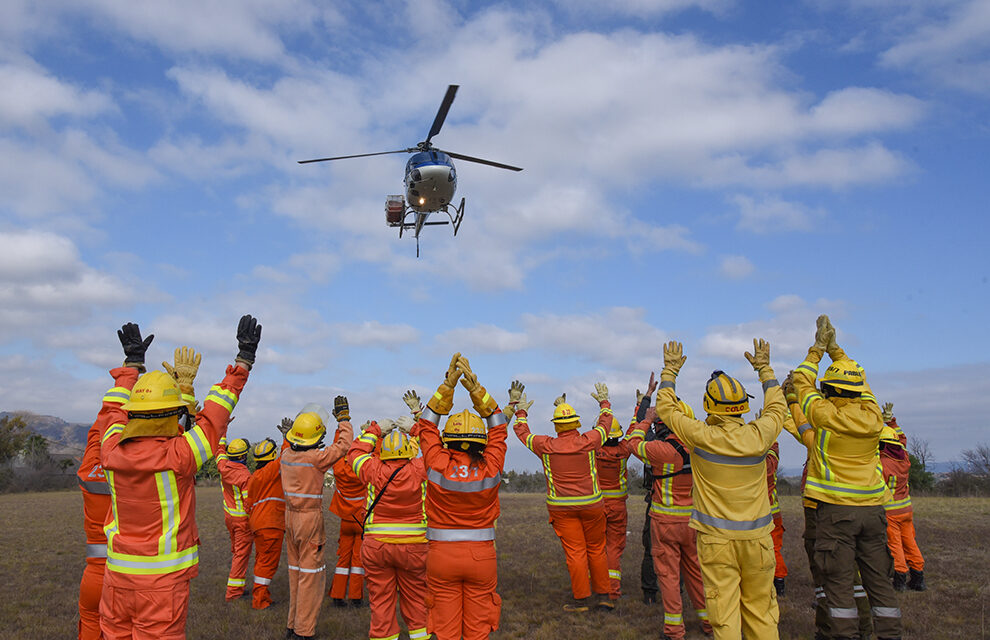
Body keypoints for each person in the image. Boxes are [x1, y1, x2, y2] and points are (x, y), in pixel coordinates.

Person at [98, 315, 261, 639]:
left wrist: (132, 366)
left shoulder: (110, 449)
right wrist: (243, 361)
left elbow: (112, 410)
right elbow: (217, 410)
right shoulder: (181, 454)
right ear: (173, 414)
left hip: (116, 578)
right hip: (163, 585)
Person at [655, 339, 785, 640]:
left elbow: (665, 407)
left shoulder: (701, 436)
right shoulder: (759, 435)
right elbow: (778, 406)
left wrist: (670, 371)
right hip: (759, 541)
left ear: (708, 405)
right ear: (744, 406)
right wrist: (765, 369)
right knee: (762, 611)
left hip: (716, 543)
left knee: (724, 614)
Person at [76, 345, 199, 639]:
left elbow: (105, 425)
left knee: (94, 628)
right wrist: (182, 396)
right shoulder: (153, 466)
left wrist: (130, 369)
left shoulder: (97, 463)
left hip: (101, 575)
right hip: (141, 580)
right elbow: (171, 446)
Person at [792, 315, 902, 640]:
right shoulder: (873, 416)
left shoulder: (824, 417)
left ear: (830, 390)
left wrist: (817, 351)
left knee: (839, 590)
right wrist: (838, 352)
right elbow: (863, 384)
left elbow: (801, 383)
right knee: (880, 585)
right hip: (873, 513)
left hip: (835, 514)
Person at [409, 354, 508, 640]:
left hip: (441, 556)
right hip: (481, 557)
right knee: (478, 630)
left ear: (447, 440)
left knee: (445, 629)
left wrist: (447, 387)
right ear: (482, 442)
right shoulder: (491, 465)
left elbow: (427, 426)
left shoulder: (437, 462)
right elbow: (499, 427)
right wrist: (477, 391)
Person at [781, 374, 872, 640]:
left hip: (823, 510)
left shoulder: (825, 433)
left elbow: (801, 426)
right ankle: (862, 627)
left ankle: (830, 629)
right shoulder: (864, 428)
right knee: (851, 575)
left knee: (828, 574)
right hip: (857, 509)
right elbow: (799, 426)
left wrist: (789, 399)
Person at [513, 383, 613, 612]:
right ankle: (604, 597)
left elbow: (522, 433)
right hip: (593, 505)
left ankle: (581, 600)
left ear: (556, 426)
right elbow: (606, 424)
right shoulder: (590, 440)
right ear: (577, 423)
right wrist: (604, 403)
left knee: (576, 553)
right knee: (597, 549)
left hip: (561, 509)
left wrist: (521, 411)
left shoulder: (546, 445)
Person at [626, 397, 711, 640]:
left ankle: (674, 631)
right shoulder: (700, 448)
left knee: (669, 576)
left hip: (665, 523)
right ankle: (711, 624)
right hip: (695, 523)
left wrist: (646, 420)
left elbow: (633, 444)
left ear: (661, 426)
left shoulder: (660, 450)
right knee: (696, 574)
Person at [348, 420, 430, 640]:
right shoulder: (420, 468)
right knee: (417, 600)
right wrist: (415, 428)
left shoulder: (372, 468)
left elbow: (354, 453)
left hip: (377, 548)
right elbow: (436, 449)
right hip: (415, 548)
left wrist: (374, 430)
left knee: (381, 603)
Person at [281, 399, 354, 640]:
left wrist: (289, 436)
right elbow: (343, 446)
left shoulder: (285, 457)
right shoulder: (316, 459)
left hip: (290, 521)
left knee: (295, 574)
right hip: (310, 521)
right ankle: (304, 632)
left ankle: (292, 626)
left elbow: (290, 446)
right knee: (311, 579)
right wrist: (343, 419)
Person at [879, 425, 926, 592]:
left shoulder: (882, 463)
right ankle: (918, 577)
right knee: (910, 543)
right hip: (906, 510)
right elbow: (902, 441)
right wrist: (892, 424)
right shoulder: (904, 458)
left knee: (895, 545)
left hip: (891, 512)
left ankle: (900, 579)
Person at [245, 433, 287, 610]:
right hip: (271, 524)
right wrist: (287, 436)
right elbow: (285, 455)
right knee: (268, 563)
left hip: (257, 524)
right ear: (271, 456)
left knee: (262, 561)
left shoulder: (254, 477)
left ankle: (263, 596)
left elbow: (248, 503)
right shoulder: (272, 469)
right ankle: (260, 601)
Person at [328, 420, 367, 607]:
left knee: (343, 558)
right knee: (358, 560)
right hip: (361, 519)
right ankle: (355, 596)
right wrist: (374, 435)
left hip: (346, 519)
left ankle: (337, 594)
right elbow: (376, 456)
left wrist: (340, 428)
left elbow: (337, 449)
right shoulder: (362, 470)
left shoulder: (338, 469)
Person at [595, 412, 633, 600]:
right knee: (614, 548)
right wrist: (636, 409)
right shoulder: (624, 450)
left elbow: (579, 439)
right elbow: (634, 431)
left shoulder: (592, 450)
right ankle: (613, 590)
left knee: (595, 548)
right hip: (618, 507)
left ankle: (595, 587)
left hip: (597, 506)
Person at [218, 435, 253, 600]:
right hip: (242, 521)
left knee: (237, 552)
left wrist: (223, 431)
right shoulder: (245, 476)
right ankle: (233, 592)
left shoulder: (223, 466)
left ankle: (239, 585)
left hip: (229, 518)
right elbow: (248, 503)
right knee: (241, 555)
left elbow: (219, 451)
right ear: (244, 456)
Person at [765, 441, 788, 597]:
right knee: (774, 549)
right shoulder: (770, 461)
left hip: (758, 516)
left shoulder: (749, 462)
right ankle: (779, 583)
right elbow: (774, 451)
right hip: (774, 515)